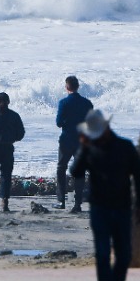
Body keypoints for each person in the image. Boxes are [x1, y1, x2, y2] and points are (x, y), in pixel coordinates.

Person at [70, 109, 140, 281]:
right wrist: (83, 149)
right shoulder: (90, 149)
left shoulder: (125, 147)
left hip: (122, 207)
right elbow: (75, 172)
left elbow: (139, 176)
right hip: (99, 207)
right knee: (102, 253)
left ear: (106, 128)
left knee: (124, 254)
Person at [55, 75, 93, 212]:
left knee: (61, 168)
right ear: (78, 87)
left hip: (66, 139)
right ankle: (77, 203)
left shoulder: (63, 103)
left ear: (67, 87)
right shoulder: (87, 103)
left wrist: (68, 122)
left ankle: (61, 200)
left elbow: (59, 122)